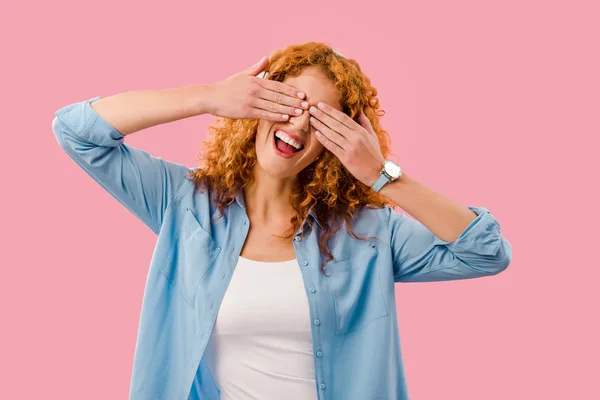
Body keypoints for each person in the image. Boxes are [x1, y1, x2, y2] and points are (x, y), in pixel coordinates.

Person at [52, 41, 512, 400]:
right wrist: (208, 96)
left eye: (321, 119)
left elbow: (485, 250)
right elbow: (77, 131)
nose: (298, 126)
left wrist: (382, 175)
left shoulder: (366, 233)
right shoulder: (186, 206)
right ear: (256, 105)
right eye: (288, 102)